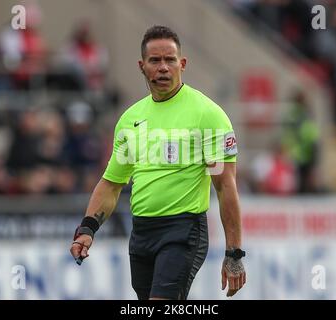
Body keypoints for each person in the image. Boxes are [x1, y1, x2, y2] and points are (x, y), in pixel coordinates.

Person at [70, 25, 246, 300]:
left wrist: (234, 253)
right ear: (142, 66)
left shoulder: (208, 116)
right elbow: (112, 184)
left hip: (184, 231)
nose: (163, 67)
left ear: (182, 64)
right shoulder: (130, 120)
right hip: (141, 234)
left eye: (170, 60)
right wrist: (87, 229)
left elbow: (225, 186)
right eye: (155, 60)